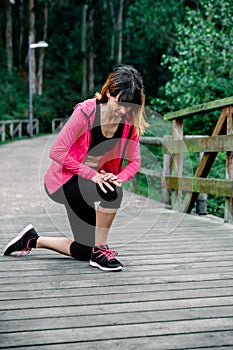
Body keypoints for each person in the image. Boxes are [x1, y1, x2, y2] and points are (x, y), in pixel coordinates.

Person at [3, 65, 148, 271]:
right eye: (120, 103)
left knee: (83, 250)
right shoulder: (86, 112)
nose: (123, 110)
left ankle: (32, 239)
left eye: (130, 107)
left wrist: (120, 177)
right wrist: (93, 175)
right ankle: (101, 249)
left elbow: (135, 161)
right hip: (64, 182)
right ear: (108, 92)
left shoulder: (129, 124)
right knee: (112, 195)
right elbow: (57, 151)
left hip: (90, 182)